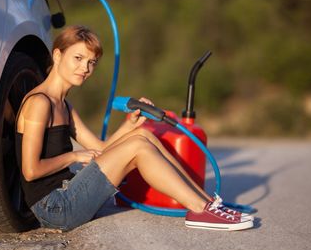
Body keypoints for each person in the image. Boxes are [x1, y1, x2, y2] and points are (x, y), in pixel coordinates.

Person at [15, 25, 254, 231]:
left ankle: (208, 203)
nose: (85, 68)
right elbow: (30, 170)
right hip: (55, 207)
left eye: (91, 62)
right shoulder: (39, 103)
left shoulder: (64, 105)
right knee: (138, 145)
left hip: (69, 191)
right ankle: (200, 210)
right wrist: (74, 155)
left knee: (142, 134)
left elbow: (101, 149)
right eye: (77, 58)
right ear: (57, 55)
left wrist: (129, 126)